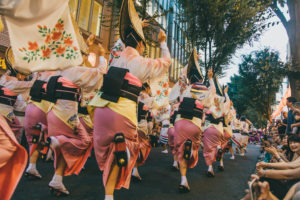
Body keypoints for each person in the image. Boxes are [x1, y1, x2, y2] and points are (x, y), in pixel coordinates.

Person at [88, 0, 171, 199]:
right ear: (141, 44)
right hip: (122, 113)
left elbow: (117, 47)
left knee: (106, 153)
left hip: (100, 110)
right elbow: (166, 63)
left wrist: (134, 29)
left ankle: (109, 195)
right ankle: (124, 151)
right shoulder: (141, 63)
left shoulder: (115, 58)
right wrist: (162, 42)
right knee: (134, 145)